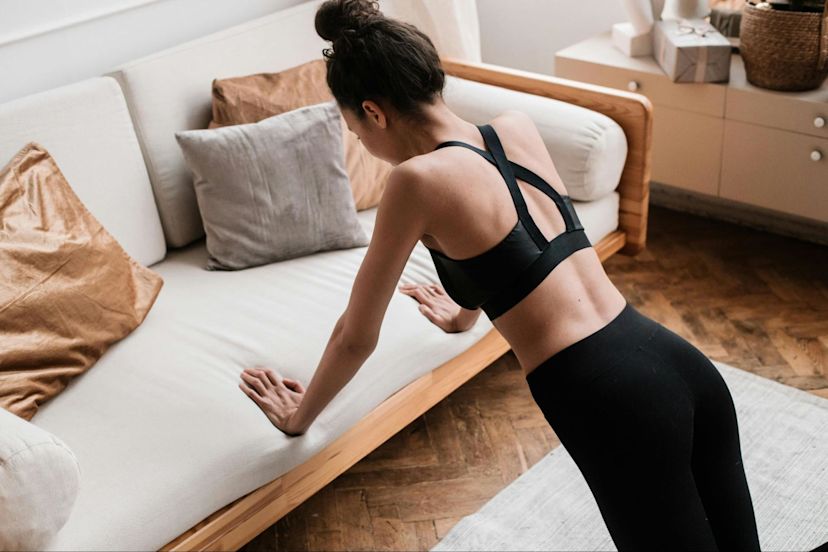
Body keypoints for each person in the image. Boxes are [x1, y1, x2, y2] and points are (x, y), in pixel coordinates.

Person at [237, 0, 761, 549]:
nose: (363, 146)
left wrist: (299, 418)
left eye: (354, 130)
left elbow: (355, 336)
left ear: (374, 112)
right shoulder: (514, 129)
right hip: (677, 364)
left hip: (612, 403)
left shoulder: (415, 181)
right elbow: (520, 250)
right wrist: (465, 313)